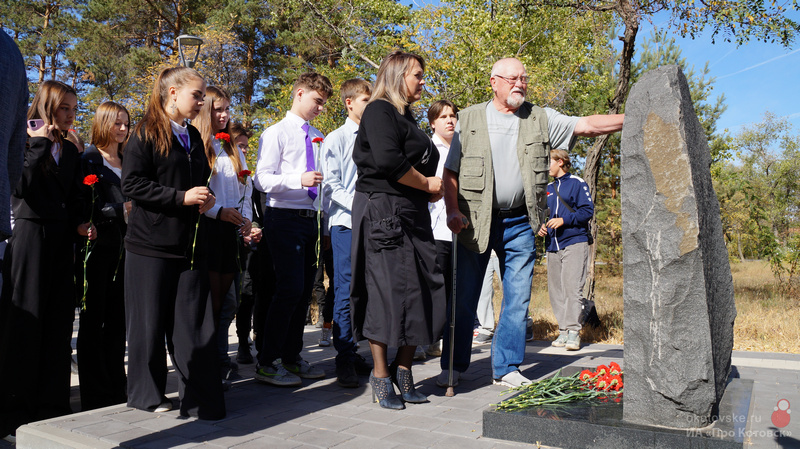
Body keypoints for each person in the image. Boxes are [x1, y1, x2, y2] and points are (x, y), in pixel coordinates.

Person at [440, 57, 623, 388]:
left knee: (518, 297)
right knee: (464, 296)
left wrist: (634, 117)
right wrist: (453, 211)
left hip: (521, 222)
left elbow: (587, 125)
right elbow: (450, 172)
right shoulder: (469, 118)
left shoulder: (540, 118)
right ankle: (453, 366)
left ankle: (507, 367)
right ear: (494, 81)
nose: (519, 83)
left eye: (524, 78)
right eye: (512, 78)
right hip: (474, 221)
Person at [121, 66, 224, 419]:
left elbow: (195, 184)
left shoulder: (193, 137)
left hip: (189, 244)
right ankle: (146, 395)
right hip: (149, 245)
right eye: (197, 95)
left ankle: (198, 397)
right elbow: (132, 185)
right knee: (148, 324)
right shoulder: (145, 132)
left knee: (192, 323)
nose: (202, 101)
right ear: (173, 93)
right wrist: (180, 198)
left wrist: (204, 199)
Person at [0, 80, 95, 438]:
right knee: (25, 326)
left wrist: (81, 223)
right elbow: (19, 185)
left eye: (74, 109)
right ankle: (12, 416)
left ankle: (52, 408)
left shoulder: (70, 151)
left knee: (57, 324)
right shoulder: (25, 141)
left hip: (59, 240)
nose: (70, 115)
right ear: (47, 107)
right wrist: (39, 142)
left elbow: (71, 198)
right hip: (28, 236)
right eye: (63, 109)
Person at [351, 51, 446, 410]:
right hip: (384, 211)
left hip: (413, 213)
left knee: (423, 289)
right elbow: (390, 161)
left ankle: (403, 371)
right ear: (397, 75)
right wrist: (425, 184)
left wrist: (428, 190)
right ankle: (380, 376)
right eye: (418, 75)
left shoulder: (408, 117)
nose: (423, 82)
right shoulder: (379, 111)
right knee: (385, 294)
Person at [253, 72, 332, 387]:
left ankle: (291, 357)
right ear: (300, 93)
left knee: (302, 292)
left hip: (310, 219)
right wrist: (296, 180)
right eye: (317, 101)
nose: (320, 108)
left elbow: (323, 181)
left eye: (324, 103)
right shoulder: (277, 133)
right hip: (282, 216)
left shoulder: (318, 135)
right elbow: (262, 179)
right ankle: (267, 361)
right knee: (287, 289)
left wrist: (323, 218)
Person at [193, 86, 253, 383]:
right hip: (207, 227)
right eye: (217, 109)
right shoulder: (198, 144)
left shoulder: (231, 148)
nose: (224, 115)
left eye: (227, 109)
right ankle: (213, 360)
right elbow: (196, 193)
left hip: (230, 229)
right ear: (205, 110)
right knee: (214, 300)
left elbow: (245, 188)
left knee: (228, 301)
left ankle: (219, 357)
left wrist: (248, 222)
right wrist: (219, 213)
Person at [77, 101, 131, 410]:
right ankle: (94, 395)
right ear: (103, 123)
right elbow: (84, 206)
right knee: (93, 321)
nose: (123, 129)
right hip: (98, 250)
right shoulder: (88, 160)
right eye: (117, 123)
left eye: (126, 123)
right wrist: (119, 210)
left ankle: (117, 388)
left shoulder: (129, 159)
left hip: (128, 250)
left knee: (117, 322)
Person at [322, 78, 374, 388]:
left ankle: (354, 348)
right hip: (346, 224)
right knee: (344, 289)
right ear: (349, 103)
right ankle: (343, 357)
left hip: (373, 225)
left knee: (365, 290)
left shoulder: (376, 138)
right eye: (366, 100)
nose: (370, 106)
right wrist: (361, 206)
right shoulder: (337, 139)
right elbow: (331, 185)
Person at [537, 149, 593, 351]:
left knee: (572, 288)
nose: (546, 167)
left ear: (560, 162)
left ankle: (573, 332)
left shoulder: (577, 183)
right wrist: (541, 226)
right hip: (552, 246)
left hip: (574, 242)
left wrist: (564, 220)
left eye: (548, 162)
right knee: (556, 291)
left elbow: (587, 211)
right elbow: (544, 214)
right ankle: (562, 330)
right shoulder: (548, 188)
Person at [421, 99, 459, 360]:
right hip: (432, 230)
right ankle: (427, 339)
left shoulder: (462, 149)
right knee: (433, 286)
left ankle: (446, 338)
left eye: (453, 115)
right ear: (432, 122)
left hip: (458, 230)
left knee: (453, 289)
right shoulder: (425, 149)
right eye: (443, 116)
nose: (450, 120)